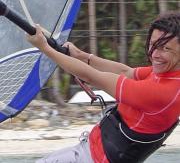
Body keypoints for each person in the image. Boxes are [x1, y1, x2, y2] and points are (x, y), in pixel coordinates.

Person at [27, 11, 180, 163]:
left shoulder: (162, 92)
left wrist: (45, 49)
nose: (155, 54)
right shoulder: (168, 75)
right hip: (91, 150)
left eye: (165, 49)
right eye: (153, 45)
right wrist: (81, 55)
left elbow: (91, 76)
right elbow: (126, 71)